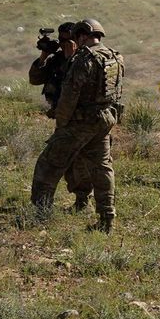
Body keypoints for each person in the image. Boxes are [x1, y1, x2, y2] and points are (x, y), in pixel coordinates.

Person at [31, 19, 124, 233]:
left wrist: (62, 124)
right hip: (104, 120)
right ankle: (107, 219)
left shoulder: (83, 58)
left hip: (80, 122)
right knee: (102, 169)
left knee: (48, 165)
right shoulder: (114, 57)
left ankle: (40, 215)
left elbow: (69, 96)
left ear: (82, 35)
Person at [28, 23, 94, 210]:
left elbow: (75, 86)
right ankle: (49, 205)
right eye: (62, 40)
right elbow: (34, 79)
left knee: (78, 163)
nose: (65, 44)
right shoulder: (58, 59)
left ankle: (81, 201)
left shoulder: (84, 60)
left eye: (69, 40)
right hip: (65, 119)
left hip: (79, 120)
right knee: (70, 163)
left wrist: (71, 58)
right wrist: (44, 55)